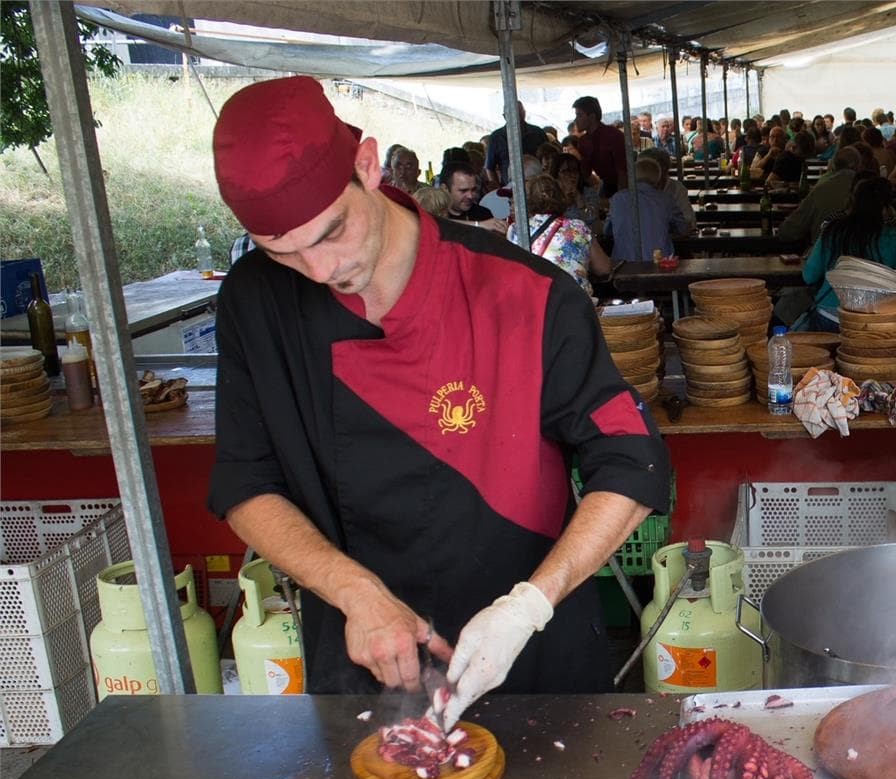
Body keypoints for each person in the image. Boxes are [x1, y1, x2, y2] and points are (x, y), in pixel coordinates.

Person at [206, 76, 671, 708]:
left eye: (330, 233)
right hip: (361, 668)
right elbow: (245, 482)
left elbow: (631, 457)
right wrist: (355, 593)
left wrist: (529, 605)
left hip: (535, 666)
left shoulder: (524, 294)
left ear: (367, 166)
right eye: (281, 252)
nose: (319, 272)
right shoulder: (255, 302)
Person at [799, 175, 896, 331]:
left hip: (828, 314)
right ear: (886, 207)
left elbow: (809, 276)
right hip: (873, 321)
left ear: (853, 201)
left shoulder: (833, 231)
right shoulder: (893, 237)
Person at [522, 175, 611, 296]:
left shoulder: (517, 230)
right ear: (562, 198)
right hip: (574, 302)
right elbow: (603, 268)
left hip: (536, 304)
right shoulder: (578, 227)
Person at [606, 156, 689, 261]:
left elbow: (607, 230)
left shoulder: (617, 198)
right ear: (657, 177)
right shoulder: (666, 199)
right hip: (659, 261)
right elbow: (682, 229)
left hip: (623, 263)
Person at [780, 146, 865, 247]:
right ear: (859, 167)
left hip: (824, 256)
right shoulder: (868, 191)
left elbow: (788, 231)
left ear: (833, 166)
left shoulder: (820, 190)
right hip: (862, 259)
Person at [573, 95, 627, 196]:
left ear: (592, 117)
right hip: (606, 185)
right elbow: (586, 174)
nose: (575, 120)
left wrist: (621, 198)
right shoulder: (583, 141)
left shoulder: (613, 135)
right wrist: (577, 159)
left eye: (579, 115)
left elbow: (622, 171)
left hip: (624, 187)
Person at [441, 162, 508, 236]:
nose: (470, 196)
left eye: (473, 190)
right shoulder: (436, 213)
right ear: (445, 189)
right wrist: (479, 225)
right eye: (463, 190)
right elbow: (439, 223)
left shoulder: (483, 214)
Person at [484, 102, 544, 186]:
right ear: (504, 116)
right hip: (509, 187)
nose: (517, 116)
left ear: (524, 113)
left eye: (520, 112)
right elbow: (490, 167)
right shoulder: (496, 137)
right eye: (513, 113)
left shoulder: (538, 132)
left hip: (537, 186)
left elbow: (547, 158)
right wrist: (497, 189)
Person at [640, 147, 695, 230]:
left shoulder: (676, 188)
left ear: (664, 168)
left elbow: (689, 221)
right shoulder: (634, 191)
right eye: (642, 168)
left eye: (649, 168)